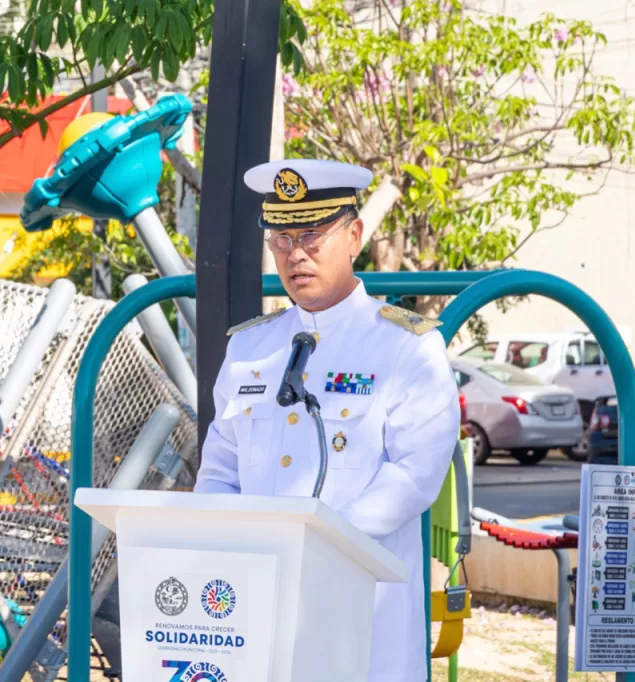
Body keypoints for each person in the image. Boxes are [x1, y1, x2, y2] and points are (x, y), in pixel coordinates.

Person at [193, 158, 460, 681]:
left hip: (361, 611)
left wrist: (319, 549)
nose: (296, 254)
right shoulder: (251, 346)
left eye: (313, 234)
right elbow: (220, 471)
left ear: (355, 234)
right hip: (258, 603)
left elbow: (414, 476)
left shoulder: (406, 346)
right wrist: (240, 547)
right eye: (282, 238)